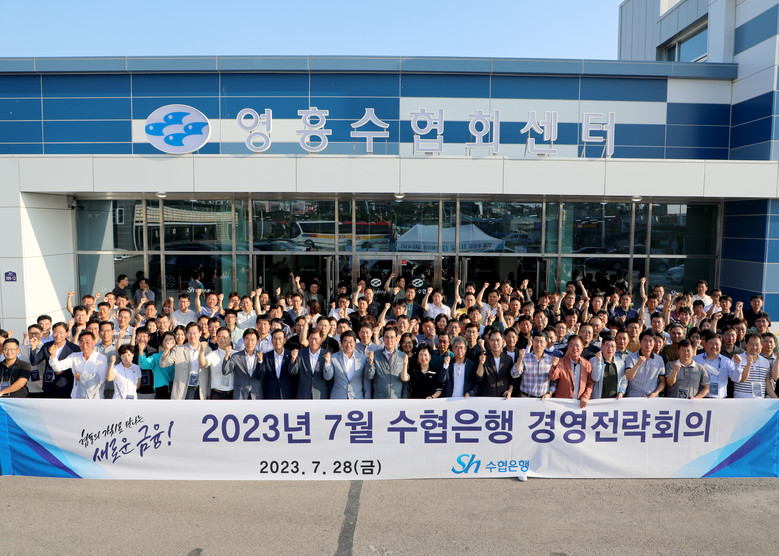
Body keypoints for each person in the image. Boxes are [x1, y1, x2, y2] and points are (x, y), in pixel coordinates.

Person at [48, 331, 109, 399]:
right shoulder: (74, 356)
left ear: (94, 342)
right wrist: (53, 355)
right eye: (82, 342)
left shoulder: (101, 358)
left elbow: (101, 379)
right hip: (77, 396)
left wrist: (81, 377)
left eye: (87, 342)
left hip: (96, 397)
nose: (84, 345)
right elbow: (58, 367)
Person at [159, 322, 211, 400]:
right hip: (183, 390)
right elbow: (163, 364)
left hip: (201, 391)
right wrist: (167, 350)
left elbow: (210, 374)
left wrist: (209, 393)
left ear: (200, 333)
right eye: (189, 333)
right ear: (186, 335)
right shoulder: (179, 349)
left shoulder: (207, 350)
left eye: (194, 333)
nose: (192, 336)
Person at [29, 321, 80, 398]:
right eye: (55, 332)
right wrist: (33, 347)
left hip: (65, 386)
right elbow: (34, 361)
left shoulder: (74, 348)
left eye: (61, 333)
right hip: (48, 385)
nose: (58, 335)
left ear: (66, 333)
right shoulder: (47, 346)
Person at [693, 331, 742, 399]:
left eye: (717, 344)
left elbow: (736, 379)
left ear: (721, 345)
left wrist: (737, 365)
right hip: (701, 398)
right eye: (711, 343)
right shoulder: (696, 359)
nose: (714, 346)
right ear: (705, 344)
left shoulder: (727, 361)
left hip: (720, 399)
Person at [549, 335, 593, 408]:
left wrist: (586, 396)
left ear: (582, 348)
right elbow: (553, 377)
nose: (575, 348)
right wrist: (554, 366)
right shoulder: (561, 362)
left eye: (577, 345)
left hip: (579, 404)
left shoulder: (587, 364)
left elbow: (590, 384)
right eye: (572, 345)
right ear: (568, 347)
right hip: (562, 404)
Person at [328, 330, 374, 399]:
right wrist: (327, 363)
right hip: (338, 398)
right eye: (345, 342)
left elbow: (366, 384)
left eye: (351, 342)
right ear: (341, 343)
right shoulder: (333, 358)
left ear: (355, 343)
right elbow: (328, 377)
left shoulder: (363, 359)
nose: (348, 345)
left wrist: (367, 400)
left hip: (356, 398)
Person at [222, 327, 264, 400]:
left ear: (257, 341)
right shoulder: (236, 356)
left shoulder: (261, 356)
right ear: (243, 340)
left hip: (256, 394)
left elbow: (262, 375)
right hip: (240, 395)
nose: (249, 343)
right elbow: (225, 371)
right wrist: (227, 355)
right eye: (247, 339)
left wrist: (260, 361)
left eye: (252, 340)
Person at [289, 328, 332, 399]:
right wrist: (293, 359)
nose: (313, 342)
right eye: (311, 338)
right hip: (303, 394)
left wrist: (327, 363)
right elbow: (292, 372)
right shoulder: (301, 353)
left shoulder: (327, 354)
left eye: (316, 339)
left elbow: (328, 377)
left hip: (320, 395)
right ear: (308, 339)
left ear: (321, 340)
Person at [371, 325, 409, 399]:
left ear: (396, 339)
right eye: (387, 337)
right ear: (383, 339)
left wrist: (404, 399)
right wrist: (370, 362)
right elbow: (369, 376)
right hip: (379, 399)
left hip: (397, 399)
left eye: (392, 337)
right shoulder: (375, 355)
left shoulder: (402, 356)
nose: (389, 340)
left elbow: (406, 383)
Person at [733, 333, 777, 398]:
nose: (754, 347)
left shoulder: (765, 362)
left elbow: (767, 383)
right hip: (741, 399)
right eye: (751, 344)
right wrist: (748, 364)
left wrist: (776, 399)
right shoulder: (737, 359)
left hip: (759, 400)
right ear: (745, 344)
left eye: (757, 344)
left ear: (761, 346)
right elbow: (742, 379)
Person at [624, 331, 666, 398]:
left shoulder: (659, 359)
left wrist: (655, 393)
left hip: (652, 398)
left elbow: (662, 381)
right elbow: (628, 377)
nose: (648, 344)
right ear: (640, 343)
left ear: (654, 343)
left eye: (651, 341)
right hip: (634, 397)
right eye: (645, 341)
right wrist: (638, 364)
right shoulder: (630, 358)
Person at [475, 329, 514, 398]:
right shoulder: (483, 357)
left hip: (503, 397)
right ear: (489, 342)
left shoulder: (508, 359)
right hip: (486, 397)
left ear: (503, 341)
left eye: (498, 340)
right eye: (492, 340)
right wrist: (481, 363)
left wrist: (509, 391)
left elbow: (512, 379)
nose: (495, 343)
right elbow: (479, 377)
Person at [259, 329, 296, 400]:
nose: (277, 341)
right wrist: (260, 361)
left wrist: (293, 360)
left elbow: (293, 373)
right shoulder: (266, 356)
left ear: (284, 340)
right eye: (275, 338)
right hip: (271, 395)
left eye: (280, 338)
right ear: (271, 340)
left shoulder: (291, 355)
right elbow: (261, 376)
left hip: (287, 394)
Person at [138, 331, 175, 399]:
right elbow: (144, 365)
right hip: (161, 389)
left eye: (171, 339)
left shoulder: (179, 355)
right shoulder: (156, 357)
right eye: (166, 340)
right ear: (162, 343)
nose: (168, 342)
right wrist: (141, 351)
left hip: (177, 387)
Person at [589, 335, 627, 399]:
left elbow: (624, 380)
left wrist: (621, 392)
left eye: (612, 346)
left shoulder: (620, 362)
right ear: (602, 346)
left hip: (615, 400)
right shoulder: (593, 361)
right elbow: (595, 378)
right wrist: (598, 362)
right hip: (598, 400)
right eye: (607, 345)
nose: (610, 349)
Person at [200, 326, 233, 399]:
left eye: (225, 337)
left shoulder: (235, 354)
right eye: (219, 337)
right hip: (217, 393)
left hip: (232, 393)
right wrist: (202, 351)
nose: (222, 340)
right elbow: (203, 363)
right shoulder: (212, 354)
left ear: (230, 338)